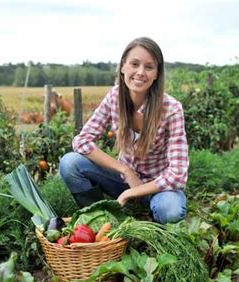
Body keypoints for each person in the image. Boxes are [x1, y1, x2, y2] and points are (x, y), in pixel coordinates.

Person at [59, 37, 188, 224]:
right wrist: (125, 170)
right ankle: (104, 220)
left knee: (169, 209)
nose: (140, 72)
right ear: (122, 67)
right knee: (70, 163)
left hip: (158, 188)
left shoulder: (171, 109)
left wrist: (133, 192)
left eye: (149, 67)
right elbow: (81, 141)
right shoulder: (114, 97)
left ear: (157, 74)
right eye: (134, 64)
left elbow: (177, 175)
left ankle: (150, 224)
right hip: (121, 180)